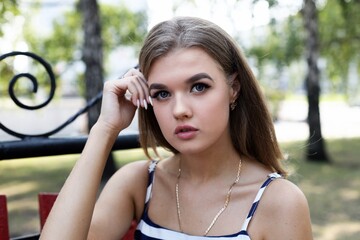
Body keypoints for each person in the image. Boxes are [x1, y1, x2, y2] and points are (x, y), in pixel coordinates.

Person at [40, 16, 313, 240]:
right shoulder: (139, 183)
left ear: (234, 89)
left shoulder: (278, 202)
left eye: (199, 87)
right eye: (162, 94)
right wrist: (105, 129)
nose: (179, 109)